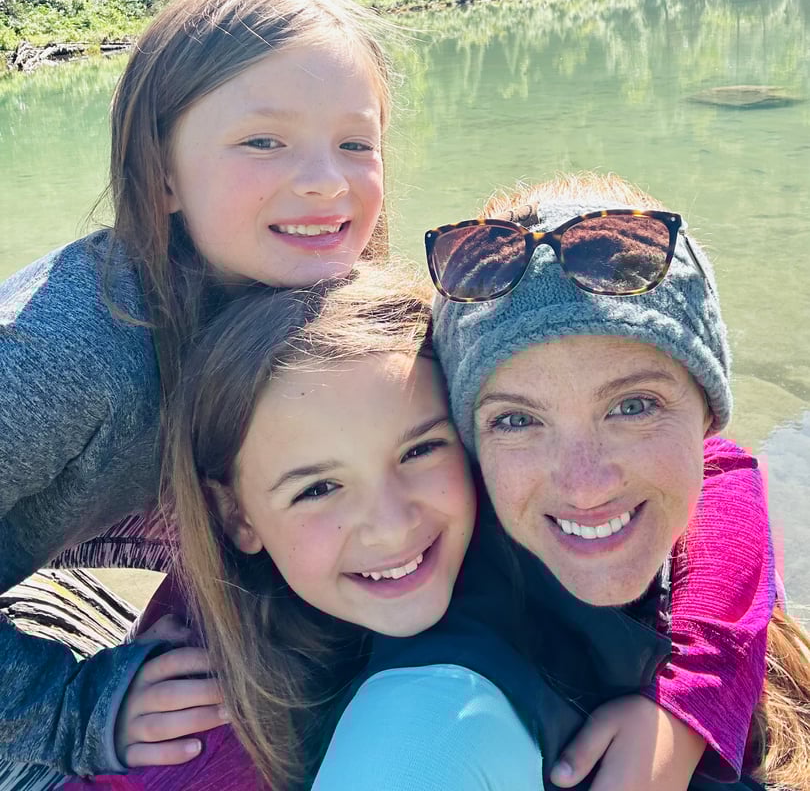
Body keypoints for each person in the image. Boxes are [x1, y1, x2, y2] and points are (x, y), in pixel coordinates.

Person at [59, 259, 773, 791]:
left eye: (420, 451)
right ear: (236, 517)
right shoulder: (200, 724)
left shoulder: (504, 481)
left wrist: (687, 707)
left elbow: (718, 465)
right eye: (318, 489)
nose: (391, 524)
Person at [0, 0, 394, 786]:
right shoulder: (66, 351)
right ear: (163, 176)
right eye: (264, 141)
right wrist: (73, 707)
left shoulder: (328, 311)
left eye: (356, 144)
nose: (327, 180)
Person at [311, 173, 810, 791]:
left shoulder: (711, 533)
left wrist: (692, 703)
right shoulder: (443, 706)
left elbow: (729, 471)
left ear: (706, 414)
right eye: (517, 420)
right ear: (471, 449)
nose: (585, 485)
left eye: (633, 407)